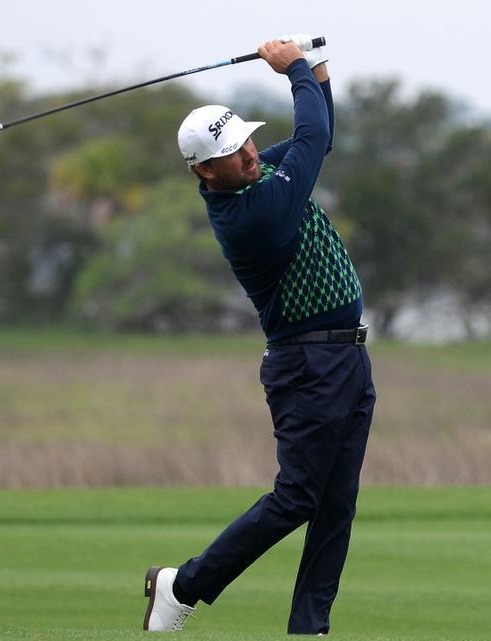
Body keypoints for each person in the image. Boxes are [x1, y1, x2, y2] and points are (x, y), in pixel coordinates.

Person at [142, 37, 376, 636]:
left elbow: (318, 136)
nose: (247, 153)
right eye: (231, 152)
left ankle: (310, 628)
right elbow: (314, 139)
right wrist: (295, 68)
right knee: (299, 496)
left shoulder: (257, 171)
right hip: (307, 366)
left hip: (347, 359)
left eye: (245, 139)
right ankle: (183, 585)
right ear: (203, 170)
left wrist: (318, 71)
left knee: (336, 504)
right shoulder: (252, 211)